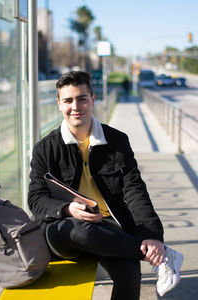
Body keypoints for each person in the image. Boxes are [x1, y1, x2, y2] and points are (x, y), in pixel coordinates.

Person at [28, 71, 183, 299]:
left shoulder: (116, 141)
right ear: (59, 104)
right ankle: (160, 256)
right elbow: (36, 199)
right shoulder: (46, 148)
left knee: (130, 273)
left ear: (93, 99)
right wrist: (68, 209)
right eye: (68, 100)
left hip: (109, 227)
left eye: (82, 98)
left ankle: (152, 252)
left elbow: (135, 189)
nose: (75, 106)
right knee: (78, 228)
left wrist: (153, 236)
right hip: (62, 230)